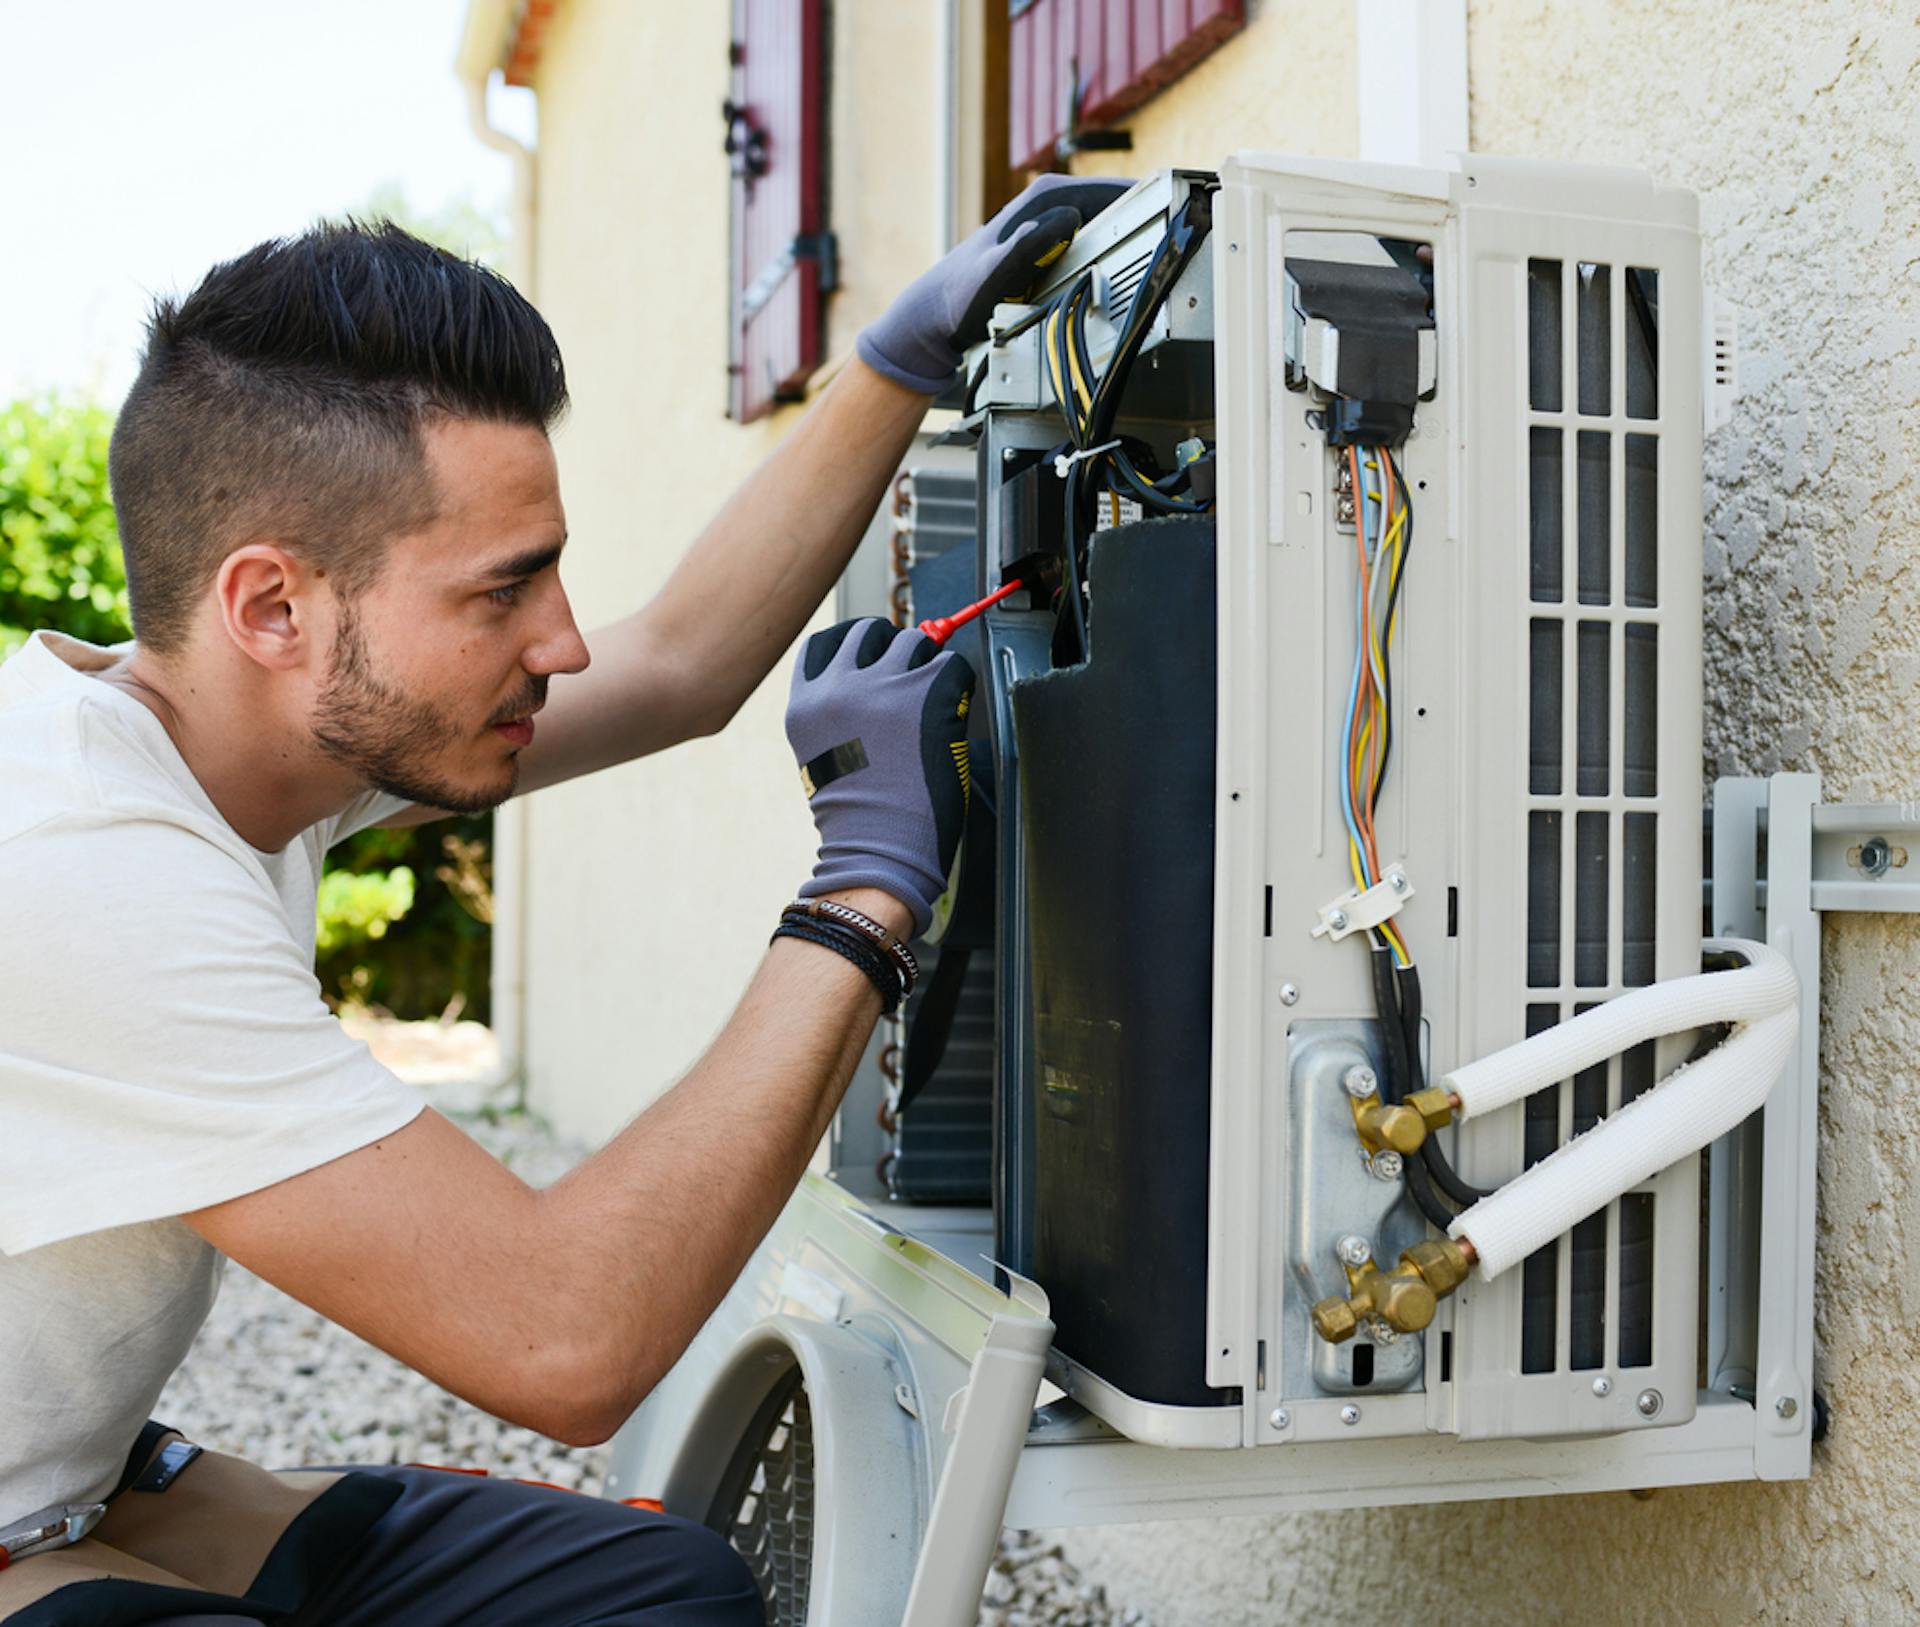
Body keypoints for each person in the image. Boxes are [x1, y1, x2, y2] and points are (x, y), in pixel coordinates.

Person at [0, 174, 1127, 1625]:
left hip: (78, 1482)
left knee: (661, 1594)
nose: (566, 641)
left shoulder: (224, 739)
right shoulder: (88, 869)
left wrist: (893, 366)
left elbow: (680, 665)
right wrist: (866, 890)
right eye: (503, 591)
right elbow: (568, 1340)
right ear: (273, 607)